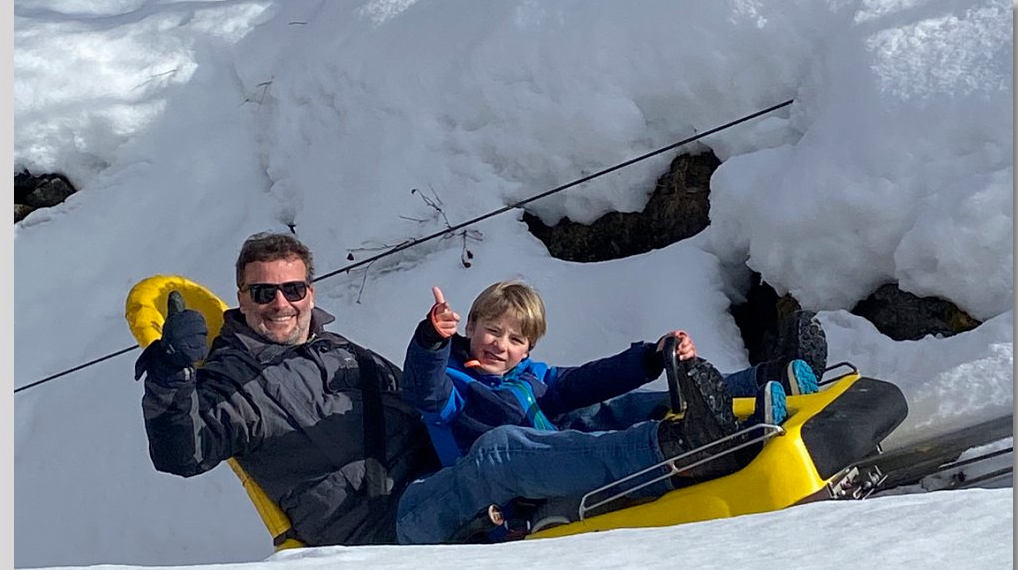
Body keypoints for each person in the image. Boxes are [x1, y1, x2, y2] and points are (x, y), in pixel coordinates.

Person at [396, 280, 825, 544]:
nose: (499, 345)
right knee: (502, 446)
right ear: (470, 328)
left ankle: (766, 383)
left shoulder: (528, 378)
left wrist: (652, 358)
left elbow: (587, 380)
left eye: (515, 339)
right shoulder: (452, 386)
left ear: (528, 349)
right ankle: (678, 446)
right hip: (499, 509)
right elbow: (423, 389)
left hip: (548, 474)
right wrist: (432, 340)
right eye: (492, 330)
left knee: (602, 409)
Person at [135, 231, 440, 546]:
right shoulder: (235, 381)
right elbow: (182, 453)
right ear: (242, 298)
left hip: (433, 480)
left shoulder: (339, 349)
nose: (280, 304)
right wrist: (171, 371)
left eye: (293, 290)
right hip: (382, 531)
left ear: (310, 293)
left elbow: (422, 403)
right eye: (263, 293)